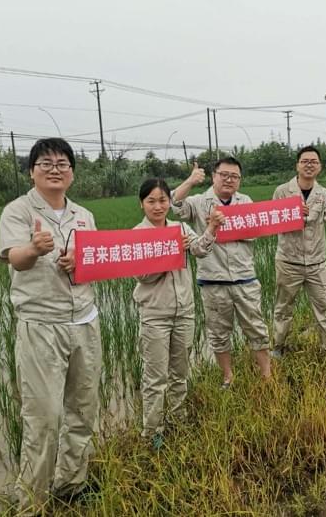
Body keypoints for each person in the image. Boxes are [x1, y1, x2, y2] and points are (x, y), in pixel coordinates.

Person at [0, 138, 101, 509]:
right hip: (42, 324)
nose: (55, 169)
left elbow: (93, 262)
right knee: (44, 417)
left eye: (62, 163)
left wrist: (79, 263)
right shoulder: (18, 212)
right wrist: (35, 249)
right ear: (32, 171)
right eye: (46, 163)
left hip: (85, 321)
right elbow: (16, 258)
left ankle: (71, 483)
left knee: (82, 408)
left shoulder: (84, 216)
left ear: (72, 173)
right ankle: (32, 501)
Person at [133, 178, 224, 449]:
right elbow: (141, 275)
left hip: (184, 310)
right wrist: (169, 253)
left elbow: (200, 251)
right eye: (151, 201)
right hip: (154, 314)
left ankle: (179, 419)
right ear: (142, 204)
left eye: (162, 200)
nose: (158, 206)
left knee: (180, 371)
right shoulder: (137, 234)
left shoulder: (180, 227)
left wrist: (211, 228)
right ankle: (152, 431)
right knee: (155, 376)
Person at [172, 157, 271, 388]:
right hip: (213, 281)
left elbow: (255, 231)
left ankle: (267, 375)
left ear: (240, 180)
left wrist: (226, 227)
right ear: (214, 176)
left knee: (256, 327)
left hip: (245, 278)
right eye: (224, 175)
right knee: (218, 333)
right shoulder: (198, 202)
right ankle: (228, 377)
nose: (229, 180)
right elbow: (174, 206)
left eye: (234, 176)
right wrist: (190, 181)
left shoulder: (245, 201)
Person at [271, 146, 326, 359]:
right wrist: (291, 214)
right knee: (283, 308)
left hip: (316, 263)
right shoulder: (282, 191)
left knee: (324, 309)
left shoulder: (324, 194)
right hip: (288, 261)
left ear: (320, 167)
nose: (309, 165)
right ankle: (278, 346)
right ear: (297, 165)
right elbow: (273, 221)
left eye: (313, 161)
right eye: (305, 161)